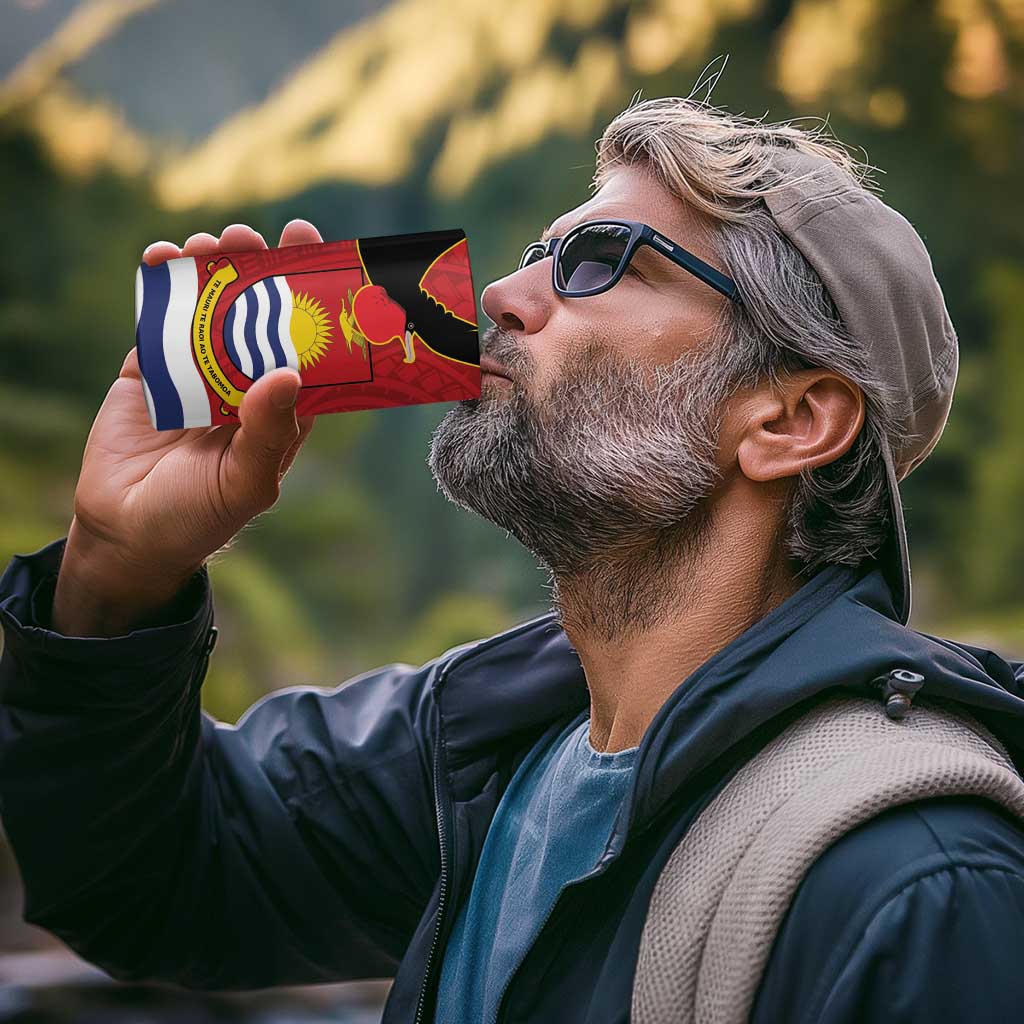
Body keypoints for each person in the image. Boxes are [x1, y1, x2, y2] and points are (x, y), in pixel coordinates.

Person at [2, 94, 1024, 1024]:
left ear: (790, 419)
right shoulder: (479, 749)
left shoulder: (918, 884)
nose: (501, 292)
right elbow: (148, 880)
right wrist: (115, 571)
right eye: (540, 252)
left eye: (599, 261)